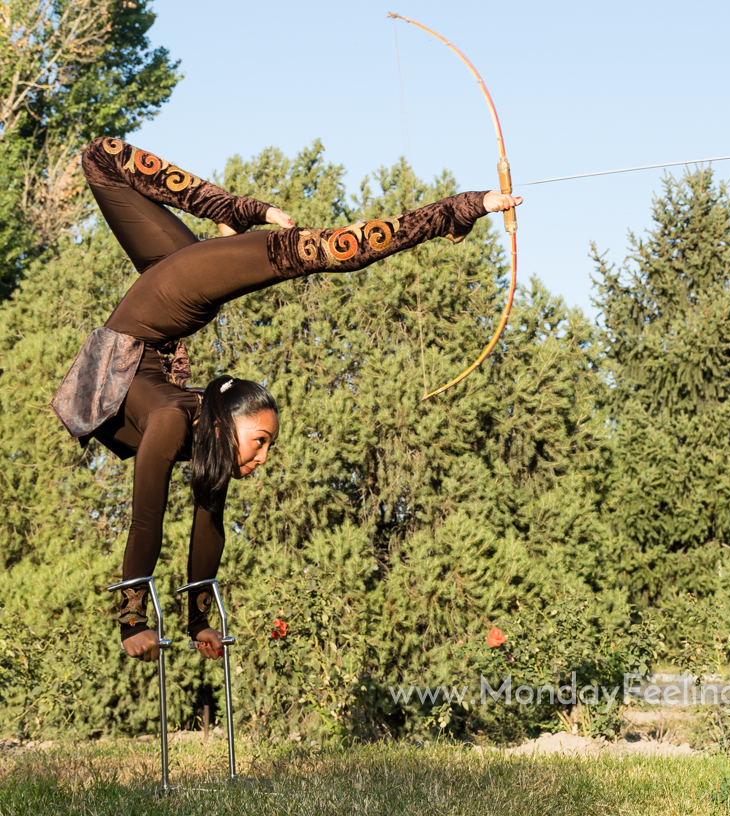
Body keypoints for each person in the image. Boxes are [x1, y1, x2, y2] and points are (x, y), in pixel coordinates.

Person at [51, 137, 521, 662]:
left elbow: (208, 525)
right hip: (179, 289)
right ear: (228, 423)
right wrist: (131, 623)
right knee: (331, 250)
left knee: (106, 162)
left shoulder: (202, 431)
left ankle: (234, 214)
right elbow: (146, 520)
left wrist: (200, 621)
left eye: (267, 445)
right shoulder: (168, 419)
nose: (263, 456)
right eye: (260, 441)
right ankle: (448, 212)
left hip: (164, 311)